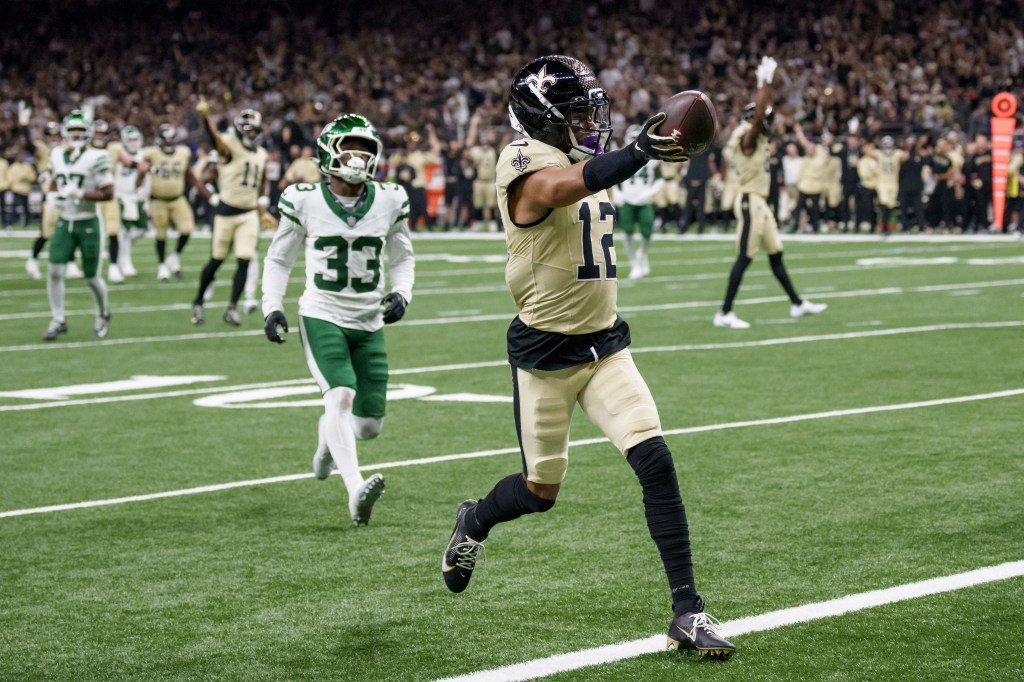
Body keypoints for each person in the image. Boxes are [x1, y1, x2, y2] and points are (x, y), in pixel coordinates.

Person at [440, 54, 735, 659]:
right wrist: (637, 154)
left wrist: (647, 152)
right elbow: (558, 189)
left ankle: (689, 612)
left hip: (605, 345)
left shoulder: (579, 155)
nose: (586, 119)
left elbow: (592, 172)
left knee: (655, 461)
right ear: (541, 115)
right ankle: (474, 520)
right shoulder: (522, 161)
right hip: (545, 355)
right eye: (575, 110)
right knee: (539, 491)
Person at [261, 113, 414, 526]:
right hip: (322, 313)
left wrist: (402, 292)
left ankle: (328, 443)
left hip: (369, 320)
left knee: (368, 426)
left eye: (366, 150)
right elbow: (278, 258)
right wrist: (270, 305)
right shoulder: (304, 199)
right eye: (351, 149)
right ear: (329, 151)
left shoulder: (389, 198)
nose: (359, 158)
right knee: (340, 396)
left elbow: (401, 255)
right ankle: (354, 493)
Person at [713, 57, 827, 330]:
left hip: (760, 203)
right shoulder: (747, 139)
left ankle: (797, 303)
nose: (767, 122)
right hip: (750, 202)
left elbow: (765, 112)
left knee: (776, 253)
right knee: (745, 257)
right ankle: (724, 312)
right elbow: (761, 111)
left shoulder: (753, 137)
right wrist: (763, 82)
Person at [191, 102, 269, 326]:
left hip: (249, 215)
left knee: (244, 260)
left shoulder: (262, 153)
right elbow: (215, 137)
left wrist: (262, 201)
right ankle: (198, 302)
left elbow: (263, 178)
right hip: (225, 213)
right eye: (247, 130)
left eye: (254, 130)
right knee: (216, 260)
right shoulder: (229, 147)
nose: (251, 134)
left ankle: (232, 308)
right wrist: (207, 117)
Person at [42, 110, 114, 341]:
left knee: (91, 277)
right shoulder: (56, 154)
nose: (75, 135)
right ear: (64, 132)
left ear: (89, 133)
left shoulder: (97, 156)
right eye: (72, 130)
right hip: (66, 221)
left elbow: (108, 194)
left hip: (89, 222)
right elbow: (54, 181)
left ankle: (103, 312)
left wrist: (81, 193)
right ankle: (58, 318)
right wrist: (53, 195)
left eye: (80, 131)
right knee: (54, 270)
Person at [142, 124, 211, 281]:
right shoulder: (150, 153)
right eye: (165, 140)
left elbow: (190, 175)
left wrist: (206, 194)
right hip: (158, 200)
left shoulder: (183, 153)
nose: (168, 143)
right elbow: (139, 169)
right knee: (161, 234)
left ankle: (174, 257)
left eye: (171, 140)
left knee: (187, 229)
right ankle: (162, 266)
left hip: (178, 198)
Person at [615, 124, 664, 278]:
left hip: (644, 200)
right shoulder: (620, 156)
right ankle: (635, 264)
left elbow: (660, 179)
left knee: (647, 233)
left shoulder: (653, 158)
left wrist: (650, 192)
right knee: (627, 232)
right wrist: (617, 192)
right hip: (628, 199)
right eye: (632, 138)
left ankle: (642, 257)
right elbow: (613, 176)